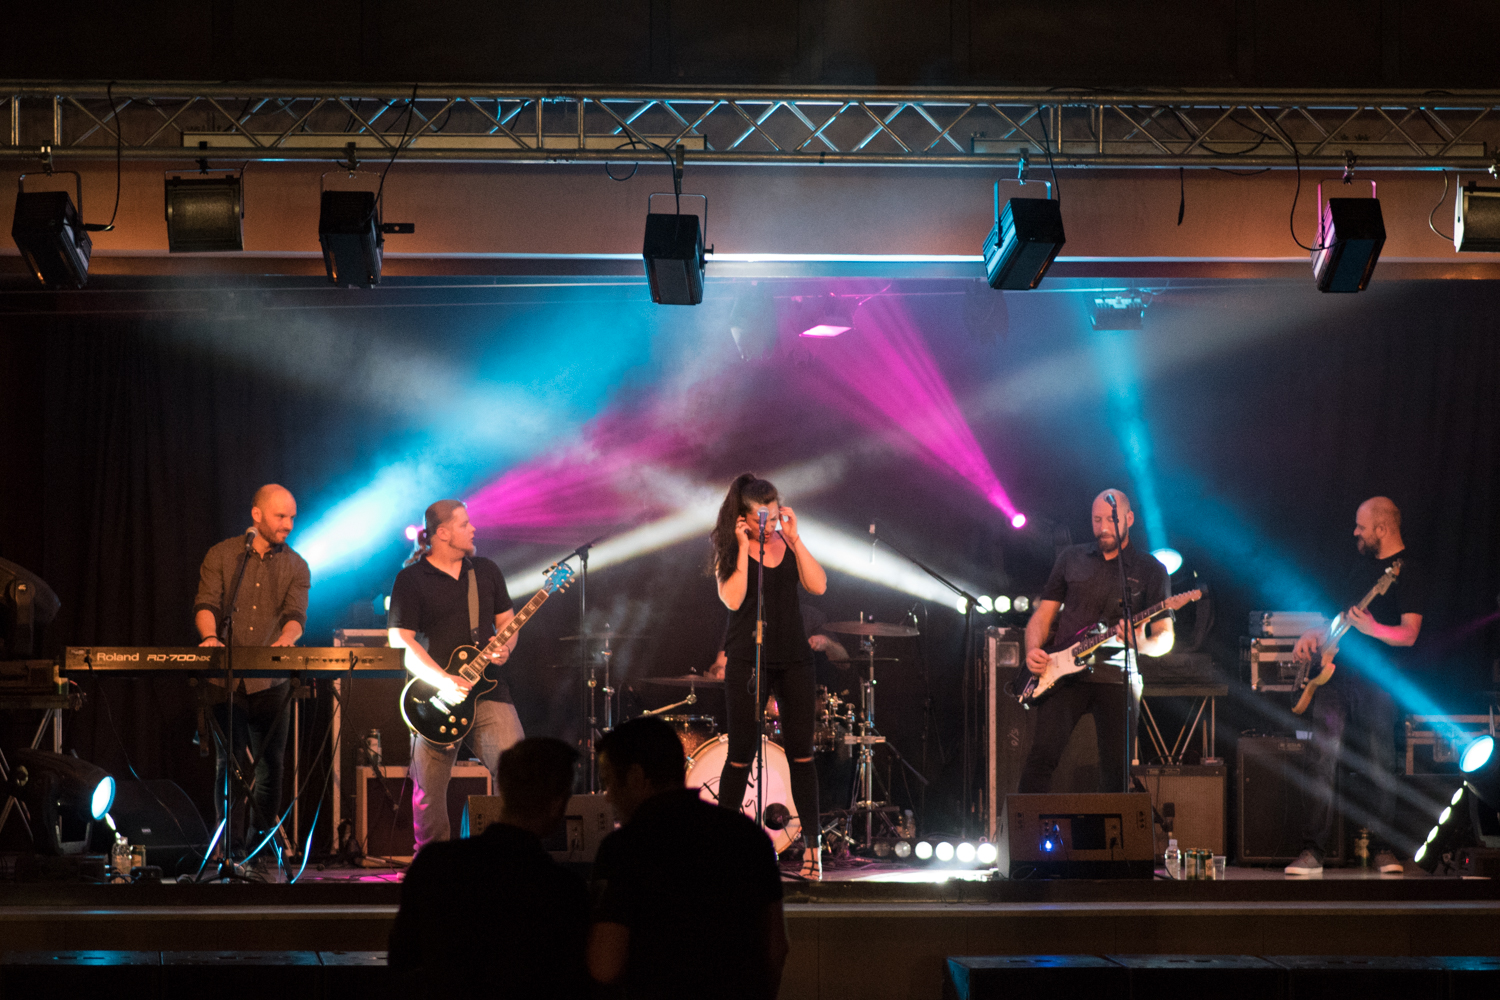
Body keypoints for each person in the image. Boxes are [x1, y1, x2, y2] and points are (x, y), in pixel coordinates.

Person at [588, 716, 788, 1000]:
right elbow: (777, 948)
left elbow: (605, 967)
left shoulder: (623, 848)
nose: (608, 797)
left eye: (609, 782)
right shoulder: (750, 837)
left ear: (635, 777)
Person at [1284, 496, 1424, 877]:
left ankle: (1381, 849)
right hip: (1335, 676)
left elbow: (1410, 633)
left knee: (1380, 762)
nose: (1355, 532)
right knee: (1320, 758)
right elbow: (1339, 620)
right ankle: (1312, 851)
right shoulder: (1358, 566)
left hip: (1377, 680)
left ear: (1382, 528)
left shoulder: (1406, 571)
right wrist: (1313, 635)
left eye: (1361, 526)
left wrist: (1374, 629)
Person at [389, 737, 589, 1000]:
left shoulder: (434, 864)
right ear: (557, 804)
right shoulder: (565, 890)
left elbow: (401, 960)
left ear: (502, 786)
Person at [711, 472, 829, 878]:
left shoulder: (788, 543)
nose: (769, 524)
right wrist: (744, 547)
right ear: (743, 518)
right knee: (740, 753)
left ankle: (813, 847)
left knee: (802, 753)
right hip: (748, 658)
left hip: (794, 658)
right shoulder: (731, 549)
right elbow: (733, 599)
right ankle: (725, 849)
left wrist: (795, 540)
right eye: (761, 518)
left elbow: (819, 586)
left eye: (774, 515)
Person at [1018, 489, 1174, 794]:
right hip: (1063, 673)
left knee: (1116, 771)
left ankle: (1112, 826)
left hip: (1118, 676)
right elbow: (1042, 616)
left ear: (1129, 518)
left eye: (1110, 520)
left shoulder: (1150, 569)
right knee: (1042, 757)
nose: (1103, 527)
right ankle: (1024, 823)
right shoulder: (1071, 558)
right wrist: (1033, 651)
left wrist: (1140, 644)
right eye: (1096, 520)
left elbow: (1165, 637)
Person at [388, 499, 522, 851]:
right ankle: (432, 866)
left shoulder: (486, 571)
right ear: (443, 533)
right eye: (464, 524)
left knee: (520, 773)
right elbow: (400, 641)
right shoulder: (411, 579)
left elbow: (507, 622)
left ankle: (512, 854)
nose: (473, 528)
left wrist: (506, 648)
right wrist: (443, 681)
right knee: (429, 792)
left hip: (489, 690)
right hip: (434, 698)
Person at [192, 483, 310, 855]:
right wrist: (210, 637)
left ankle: (258, 847)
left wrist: (287, 639)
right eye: (281, 516)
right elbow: (206, 604)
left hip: (272, 681)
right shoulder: (222, 554)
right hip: (225, 680)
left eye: (292, 517)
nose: (288, 524)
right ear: (256, 515)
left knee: (271, 767)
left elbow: (296, 616)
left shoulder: (297, 565)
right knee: (229, 765)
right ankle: (232, 850)